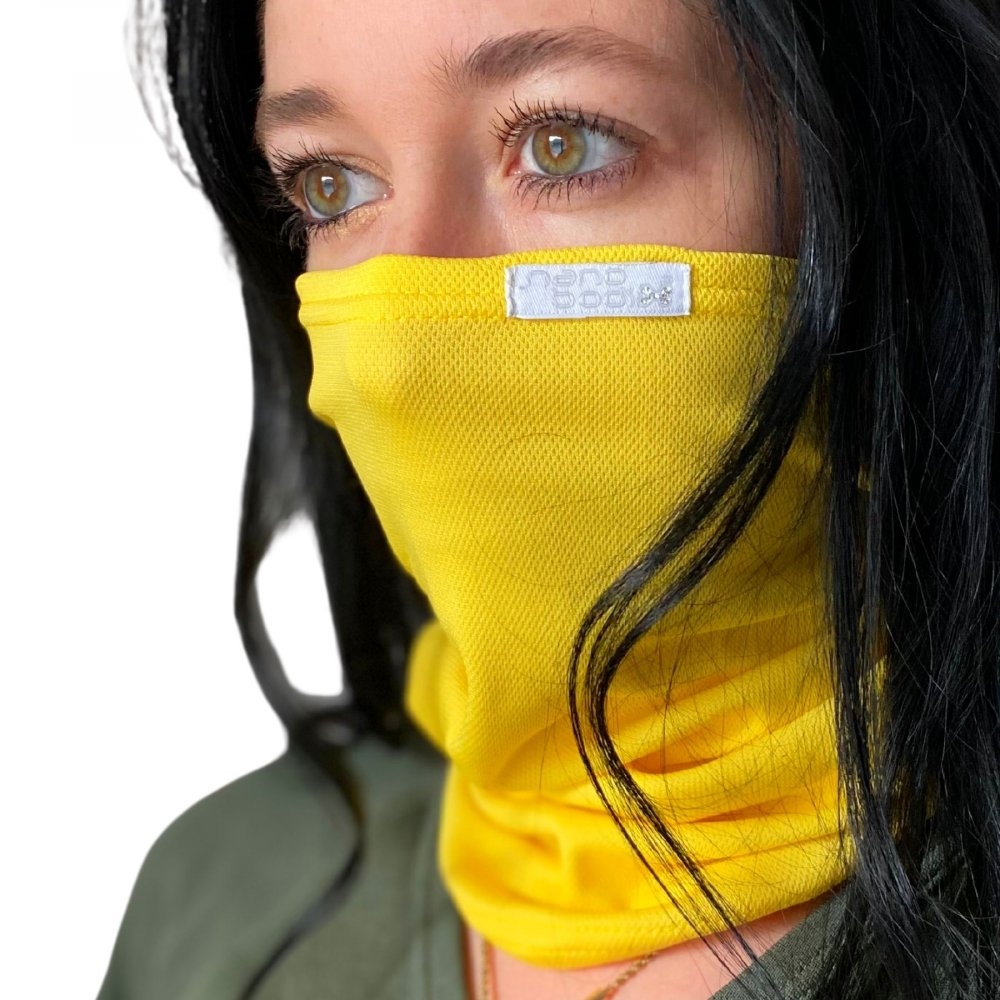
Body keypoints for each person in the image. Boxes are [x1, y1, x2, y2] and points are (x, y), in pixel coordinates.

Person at [98, 0, 1000, 997]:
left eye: (561, 145)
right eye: (330, 183)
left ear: (872, 181)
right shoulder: (220, 902)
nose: (401, 349)